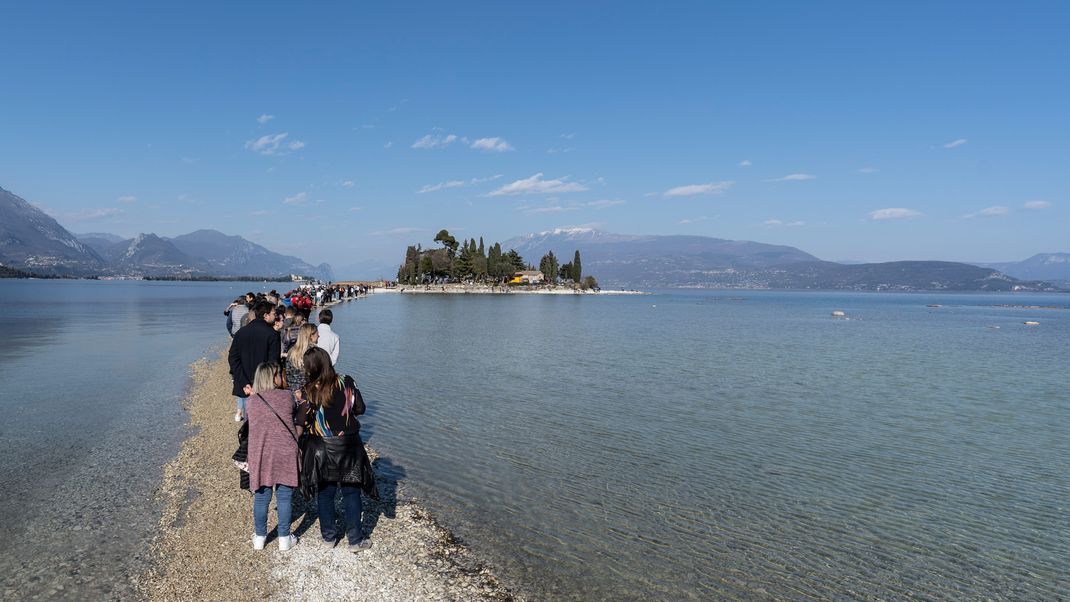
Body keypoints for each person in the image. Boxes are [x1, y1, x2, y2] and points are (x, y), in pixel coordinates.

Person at [299, 347, 373, 551]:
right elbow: (360, 409)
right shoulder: (346, 381)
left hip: (322, 449)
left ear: (311, 368)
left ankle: (329, 538)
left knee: (325, 494)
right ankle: (355, 540)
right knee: (351, 493)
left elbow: (301, 420)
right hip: (349, 446)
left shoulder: (308, 390)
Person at [244, 362, 300, 551]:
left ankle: (260, 537)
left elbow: (250, 424)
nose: (281, 377)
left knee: (261, 497)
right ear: (273, 377)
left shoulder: (251, 402)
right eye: (279, 374)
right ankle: (284, 538)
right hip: (285, 451)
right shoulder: (287, 397)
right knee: (284, 497)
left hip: (261, 453)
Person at [228, 300, 281, 422]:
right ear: (265, 315)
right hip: (264, 384)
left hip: (244, 383)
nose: (276, 316)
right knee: (263, 420)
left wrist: (242, 380)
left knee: (249, 419)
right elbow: (273, 362)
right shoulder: (272, 334)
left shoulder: (241, 332)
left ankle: (248, 440)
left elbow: (233, 358)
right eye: (274, 313)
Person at [285, 323, 318, 395]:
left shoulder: (291, 352)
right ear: (311, 336)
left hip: (293, 392)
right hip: (309, 392)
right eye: (317, 334)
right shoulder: (314, 352)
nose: (319, 336)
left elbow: (288, 374)